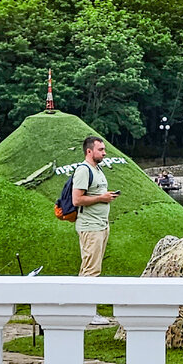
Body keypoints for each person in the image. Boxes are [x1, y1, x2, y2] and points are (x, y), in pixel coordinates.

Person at [72, 136, 118, 321]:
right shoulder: (83, 171)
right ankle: (87, 312)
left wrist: (104, 197)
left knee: (90, 268)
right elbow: (77, 200)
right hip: (90, 227)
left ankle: (82, 309)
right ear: (89, 151)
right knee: (91, 270)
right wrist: (101, 198)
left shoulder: (97, 169)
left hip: (100, 225)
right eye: (100, 150)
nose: (104, 153)